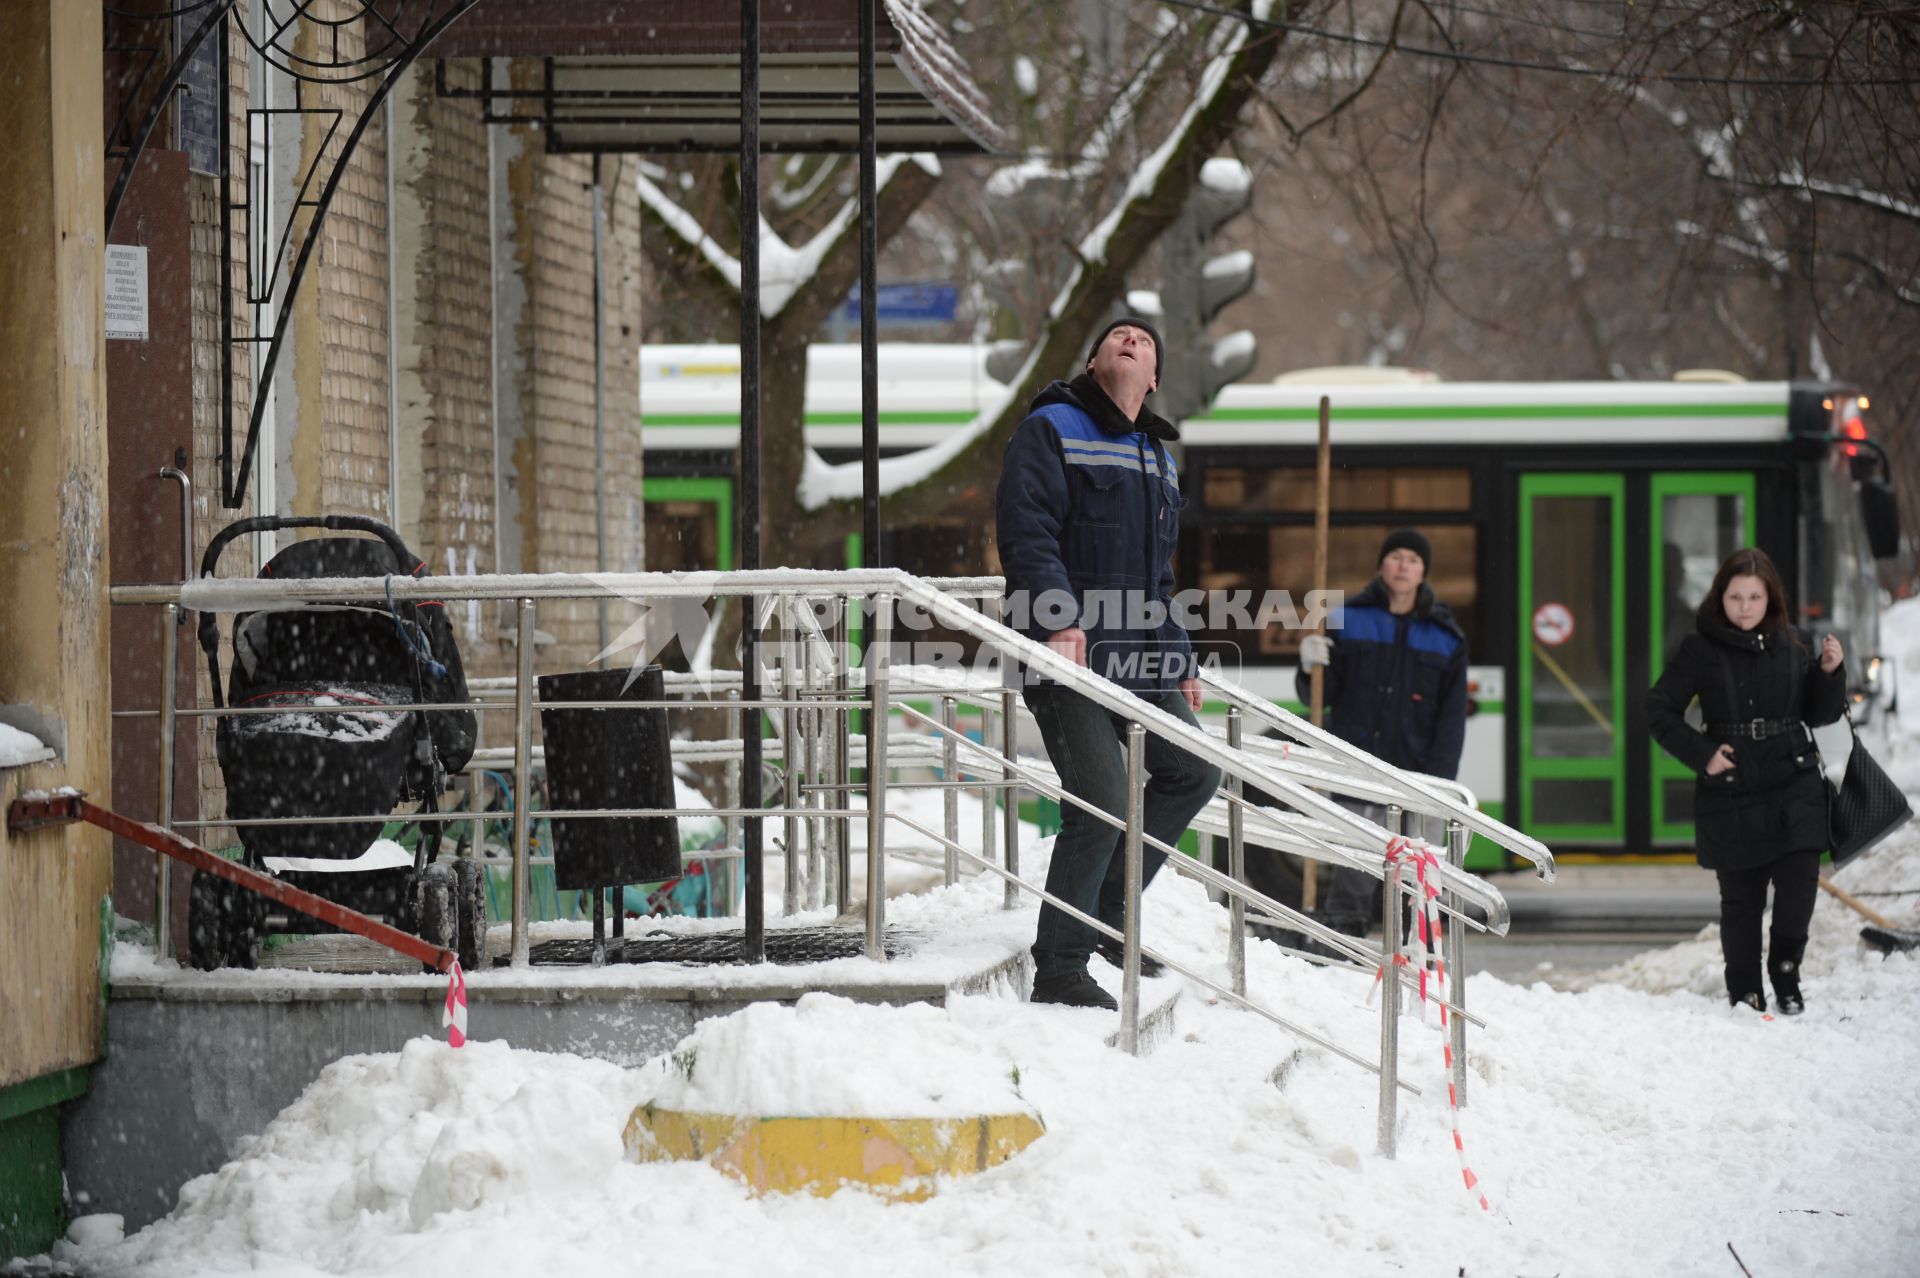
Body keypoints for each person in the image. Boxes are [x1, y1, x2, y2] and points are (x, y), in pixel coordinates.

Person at [996, 317, 1223, 1010]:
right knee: (1099, 799)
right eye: (1118, 336)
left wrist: (1181, 657)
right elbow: (1027, 531)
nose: (1131, 342)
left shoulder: (1159, 457)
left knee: (1194, 770)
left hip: (1143, 656)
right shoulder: (1052, 428)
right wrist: (1059, 618)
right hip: (1068, 657)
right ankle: (1061, 967)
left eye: (1146, 341)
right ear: (1095, 362)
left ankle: (1104, 911)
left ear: (1153, 378)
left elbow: (1159, 577)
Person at [1646, 547, 1846, 1015]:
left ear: (1769, 598)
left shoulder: (1792, 644)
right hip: (1731, 784)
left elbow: (1818, 713)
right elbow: (1658, 710)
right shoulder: (1701, 648)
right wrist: (1704, 755)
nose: (1744, 607)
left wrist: (1830, 674)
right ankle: (1744, 990)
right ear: (1721, 598)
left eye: (1754, 597)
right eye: (1736, 597)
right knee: (1741, 899)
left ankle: (1786, 973)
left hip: (1791, 776)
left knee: (1800, 882)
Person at [1278, 528, 1469, 938]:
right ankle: (1344, 941)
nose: (1403, 566)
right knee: (1354, 870)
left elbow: (1451, 719)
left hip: (1417, 772)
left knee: (1417, 877)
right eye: (1396, 557)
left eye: (1413, 560)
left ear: (1423, 573)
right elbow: (1322, 696)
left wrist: (1439, 782)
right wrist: (1309, 666)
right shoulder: (1348, 620)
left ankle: (1416, 948)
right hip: (1357, 765)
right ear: (1382, 565)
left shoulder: (1446, 637)